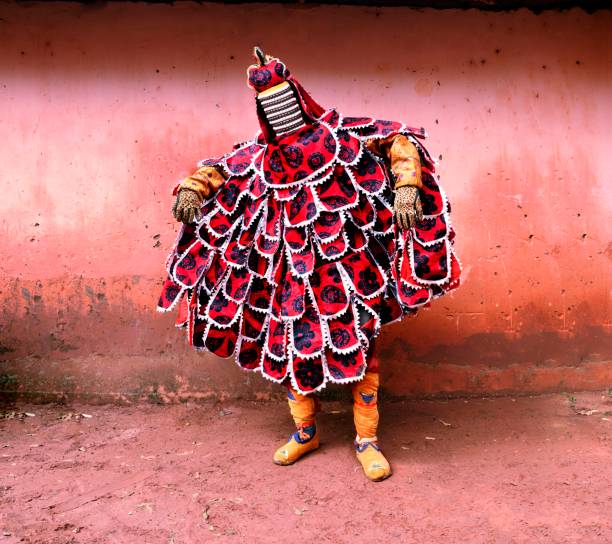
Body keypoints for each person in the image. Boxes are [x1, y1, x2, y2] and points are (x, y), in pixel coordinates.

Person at [158, 47, 460, 481]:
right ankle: (305, 433)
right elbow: (220, 170)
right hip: (289, 276)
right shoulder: (259, 158)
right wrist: (192, 188)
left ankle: (367, 440)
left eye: (285, 101)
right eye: (269, 107)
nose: (280, 113)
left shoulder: (340, 135)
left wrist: (408, 184)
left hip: (349, 271)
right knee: (290, 349)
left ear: (300, 97)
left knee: (363, 351)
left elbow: (397, 138)